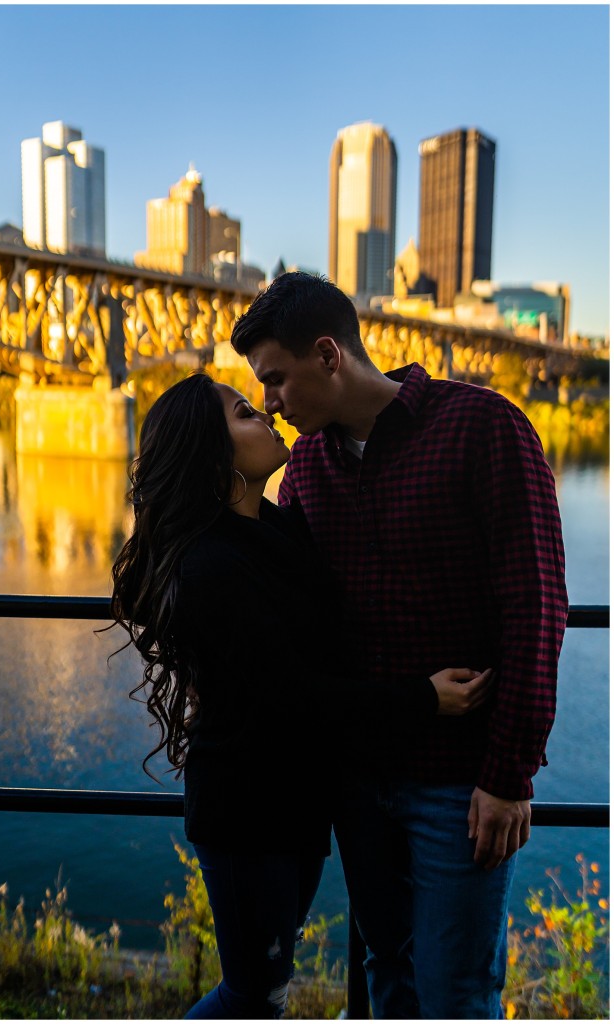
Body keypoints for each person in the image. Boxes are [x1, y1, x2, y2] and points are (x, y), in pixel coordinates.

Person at [230, 272, 569, 1020]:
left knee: (455, 991)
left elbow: (537, 605)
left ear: (328, 355)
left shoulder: (484, 427)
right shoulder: (308, 471)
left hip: (460, 785)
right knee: (386, 973)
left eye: (276, 380)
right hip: (358, 784)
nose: (272, 403)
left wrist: (509, 774)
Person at [110, 371, 494, 1020]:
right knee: (255, 994)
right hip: (246, 809)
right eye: (242, 413)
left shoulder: (280, 531)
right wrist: (421, 700)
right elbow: (296, 695)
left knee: (271, 986)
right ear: (213, 452)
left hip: (298, 802)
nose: (265, 413)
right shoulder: (210, 566)